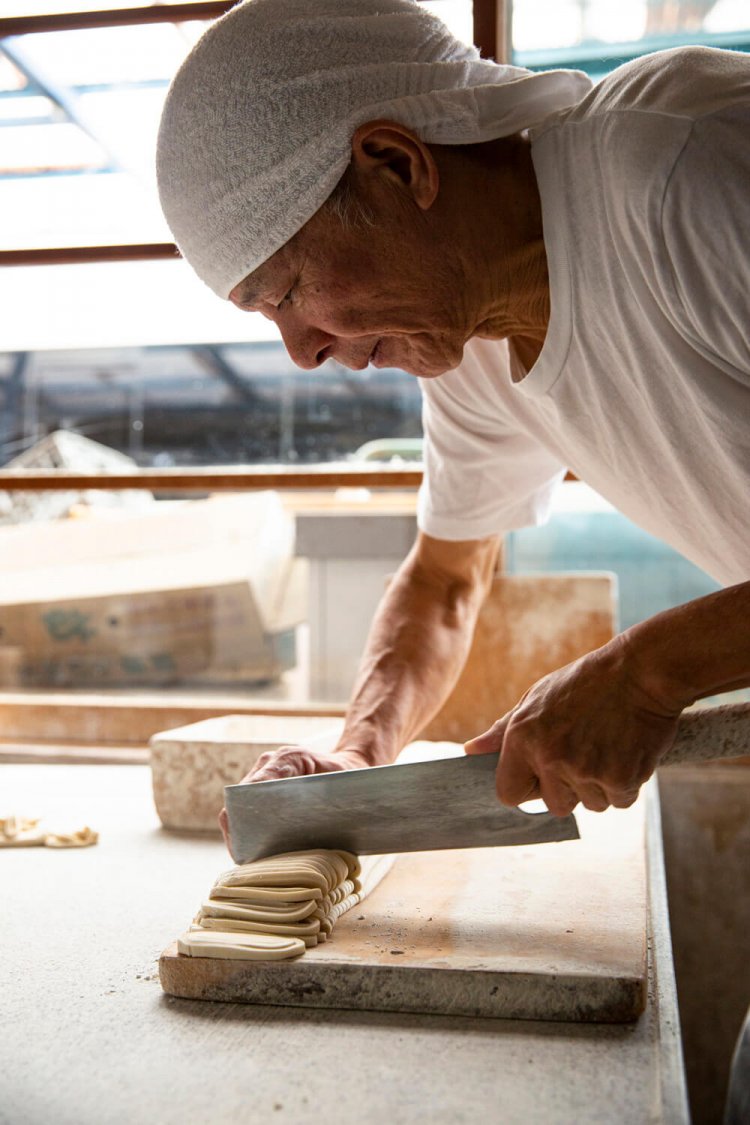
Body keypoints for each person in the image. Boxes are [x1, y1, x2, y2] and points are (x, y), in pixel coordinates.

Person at [156, 0, 750, 831]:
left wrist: (648, 672)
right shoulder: (473, 346)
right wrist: (357, 756)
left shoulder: (684, 171)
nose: (302, 351)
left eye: (288, 292)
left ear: (398, 165)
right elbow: (443, 583)